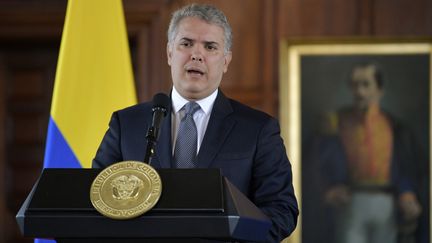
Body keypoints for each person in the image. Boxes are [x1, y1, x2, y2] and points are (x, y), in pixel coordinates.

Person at [92, 4, 298, 242]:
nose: (196, 54)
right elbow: (97, 198)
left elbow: (282, 210)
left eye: (210, 47)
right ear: (170, 53)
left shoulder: (258, 129)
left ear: (226, 60)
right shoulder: (127, 124)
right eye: (186, 43)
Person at [316, 62, 422, 243]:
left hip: (387, 203)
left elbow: (404, 166)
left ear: (380, 90)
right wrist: (328, 189)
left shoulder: (394, 127)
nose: (359, 91)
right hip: (351, 202)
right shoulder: (336, 123)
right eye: (355, 85)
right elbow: (318, 165)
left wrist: (407, 194)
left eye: (366, 84)